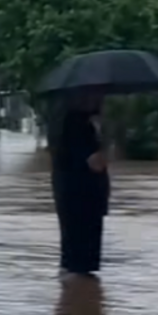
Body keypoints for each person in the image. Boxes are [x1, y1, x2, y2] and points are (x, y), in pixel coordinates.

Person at [51, 92, 110, 277]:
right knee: (81, 247)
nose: (99, 100)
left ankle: (75, 285)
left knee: (73, 249)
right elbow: (94, 162)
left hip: (73, 193)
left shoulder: (68, 122)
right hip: (81, 194)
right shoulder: (77, 125)